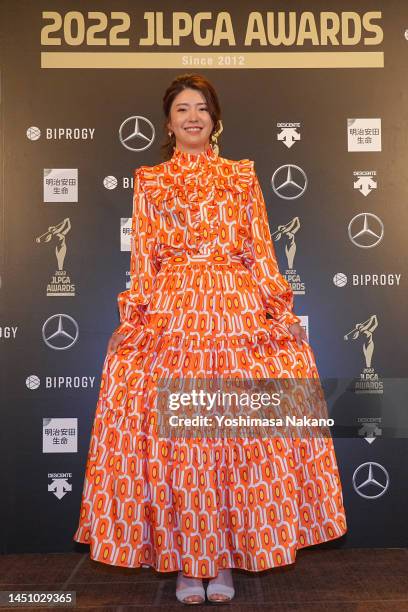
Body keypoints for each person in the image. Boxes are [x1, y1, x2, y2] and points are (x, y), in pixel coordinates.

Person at [73, 73, 347, 605]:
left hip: (235, 309)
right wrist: (133, 320)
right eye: (181, 109)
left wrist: (278, 310)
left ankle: (220, 560)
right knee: (183, 443)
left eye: (201, 107)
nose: (192, 116)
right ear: (168, 122)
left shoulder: (242, 177)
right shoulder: (150, 181)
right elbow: (144, 261)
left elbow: (261, 250)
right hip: (175, 314)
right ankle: (185, 562)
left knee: (233, 438)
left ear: (215, 119)